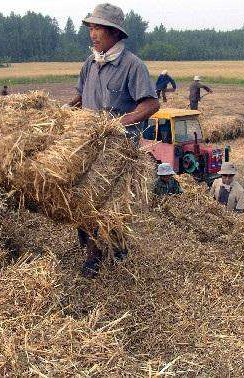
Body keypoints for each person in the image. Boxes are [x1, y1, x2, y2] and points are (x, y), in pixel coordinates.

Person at [67, 3, 160, 278]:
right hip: (89, 146)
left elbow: (151, 104)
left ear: (115, 33)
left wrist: (119, 123)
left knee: (104, 203)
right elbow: (81, 97)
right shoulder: (90, 63)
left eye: (99, 28)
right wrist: (61, 113)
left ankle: (94, 258)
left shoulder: (132, 65)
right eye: (92, 28)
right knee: (83, 199)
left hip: (118, 151)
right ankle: (110, 246)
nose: (93, 34)